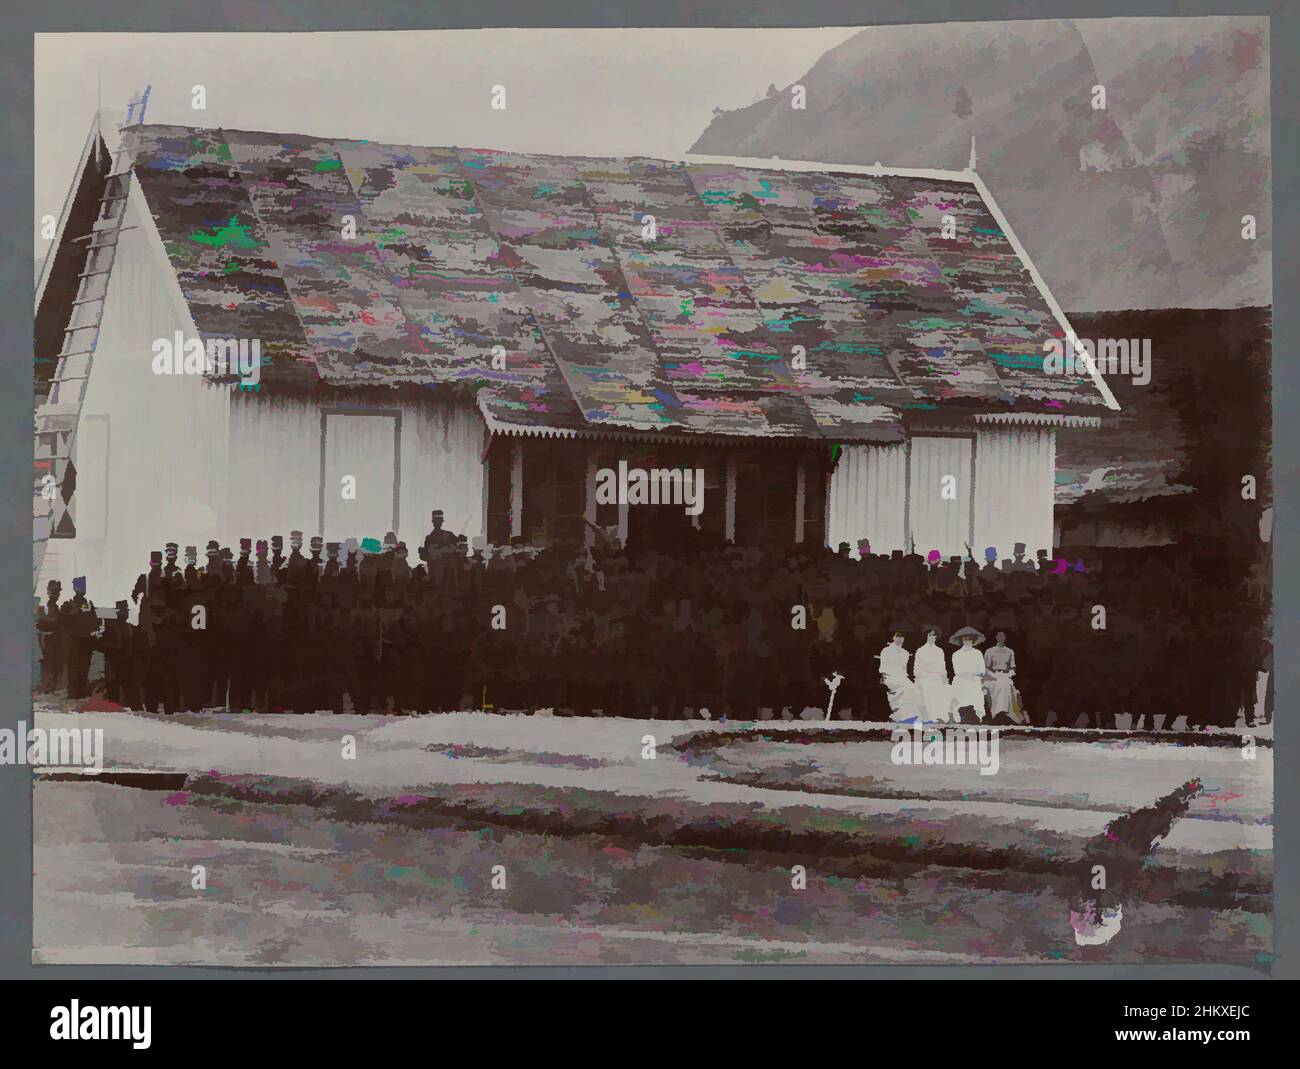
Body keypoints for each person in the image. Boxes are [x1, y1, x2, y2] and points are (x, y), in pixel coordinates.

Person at [877, 629, 923, 723]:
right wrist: (884, 677)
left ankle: (907, 719)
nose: (899, 638)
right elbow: (883, 666)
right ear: (893, 637)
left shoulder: (905, 653)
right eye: (897, 636)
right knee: (900, 692)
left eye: (901, 637)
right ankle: (894, 718)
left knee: (913, 691)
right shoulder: (886, 651)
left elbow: (904, 669)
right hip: (889, 676)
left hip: (901, 677)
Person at [984, 630, 1026, 724]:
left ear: (1005, 638)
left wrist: (1008, 674)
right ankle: (995, 713)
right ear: (996, 638)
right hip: (992, 676)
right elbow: (986, 668)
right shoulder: (990, 651)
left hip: (1005, 676)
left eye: (1003, 636)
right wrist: (992, 675)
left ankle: (1006, 713)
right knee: (994, 687)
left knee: (1007, 687)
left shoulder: (1009, 651)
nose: (1001, 638)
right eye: (999, 636)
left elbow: (1012, 668)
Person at [914, 625, 953, 723]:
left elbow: (942, 666)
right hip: (925, 678)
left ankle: (940, 718)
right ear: (926, 636)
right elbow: (917, 668)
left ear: (936, 637)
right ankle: (929, 719)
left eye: (934, 635)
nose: (932, 637)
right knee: (928, 694)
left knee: (945, 692)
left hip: (937, 678)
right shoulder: (921, 650)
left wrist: (944, 678)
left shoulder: (939, 651)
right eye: (930, 635)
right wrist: (919, 679)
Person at [949, 626, 987, 723]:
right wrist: (967, 675)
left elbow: (982, 670)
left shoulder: (978, 653)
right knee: (959, 690)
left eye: (969, 639)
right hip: (961, 679)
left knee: (976, 691)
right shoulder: (956, 654)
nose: (967, 641)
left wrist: (974, 675)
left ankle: (978, 717)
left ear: (973, 640)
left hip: (974, 680)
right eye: (965, 639)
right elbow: (957, 670)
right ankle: (960, 717)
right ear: (962, 640)